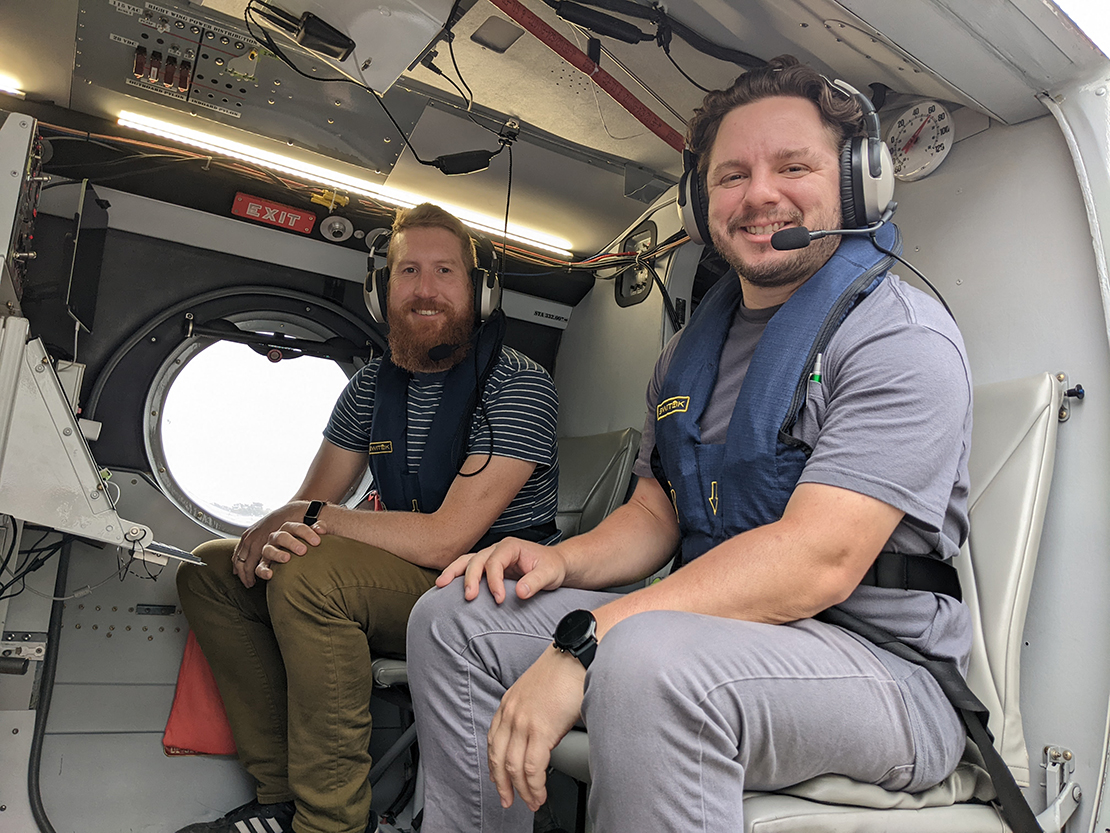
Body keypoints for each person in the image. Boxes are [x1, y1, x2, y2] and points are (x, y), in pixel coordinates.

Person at [405, 56, 974, 832]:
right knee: (454, 618)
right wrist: (561, 561)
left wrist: (591, 637)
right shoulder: (685, 355)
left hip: (886, 674)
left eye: (794, 165)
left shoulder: (898, 336)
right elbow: (658, 509)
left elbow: (820, 560)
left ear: (855, 183)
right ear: (700, 205)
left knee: (646, 662)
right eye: (732, 175)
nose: (761, 193)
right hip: (715, 631)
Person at [174, 203, 559, 833]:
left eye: (445, 272)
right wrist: (277, 527)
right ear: (383, 293)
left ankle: (331, 823)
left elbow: (445, 539)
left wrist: (305, 518)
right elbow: (312, 504)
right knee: (215, 571)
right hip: (413, 582)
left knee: (311, 574)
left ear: (480, 292)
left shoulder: (517, 385)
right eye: (408, 271)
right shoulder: (369, 388)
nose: (426, 289)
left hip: (490, 589)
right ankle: (283, 800)